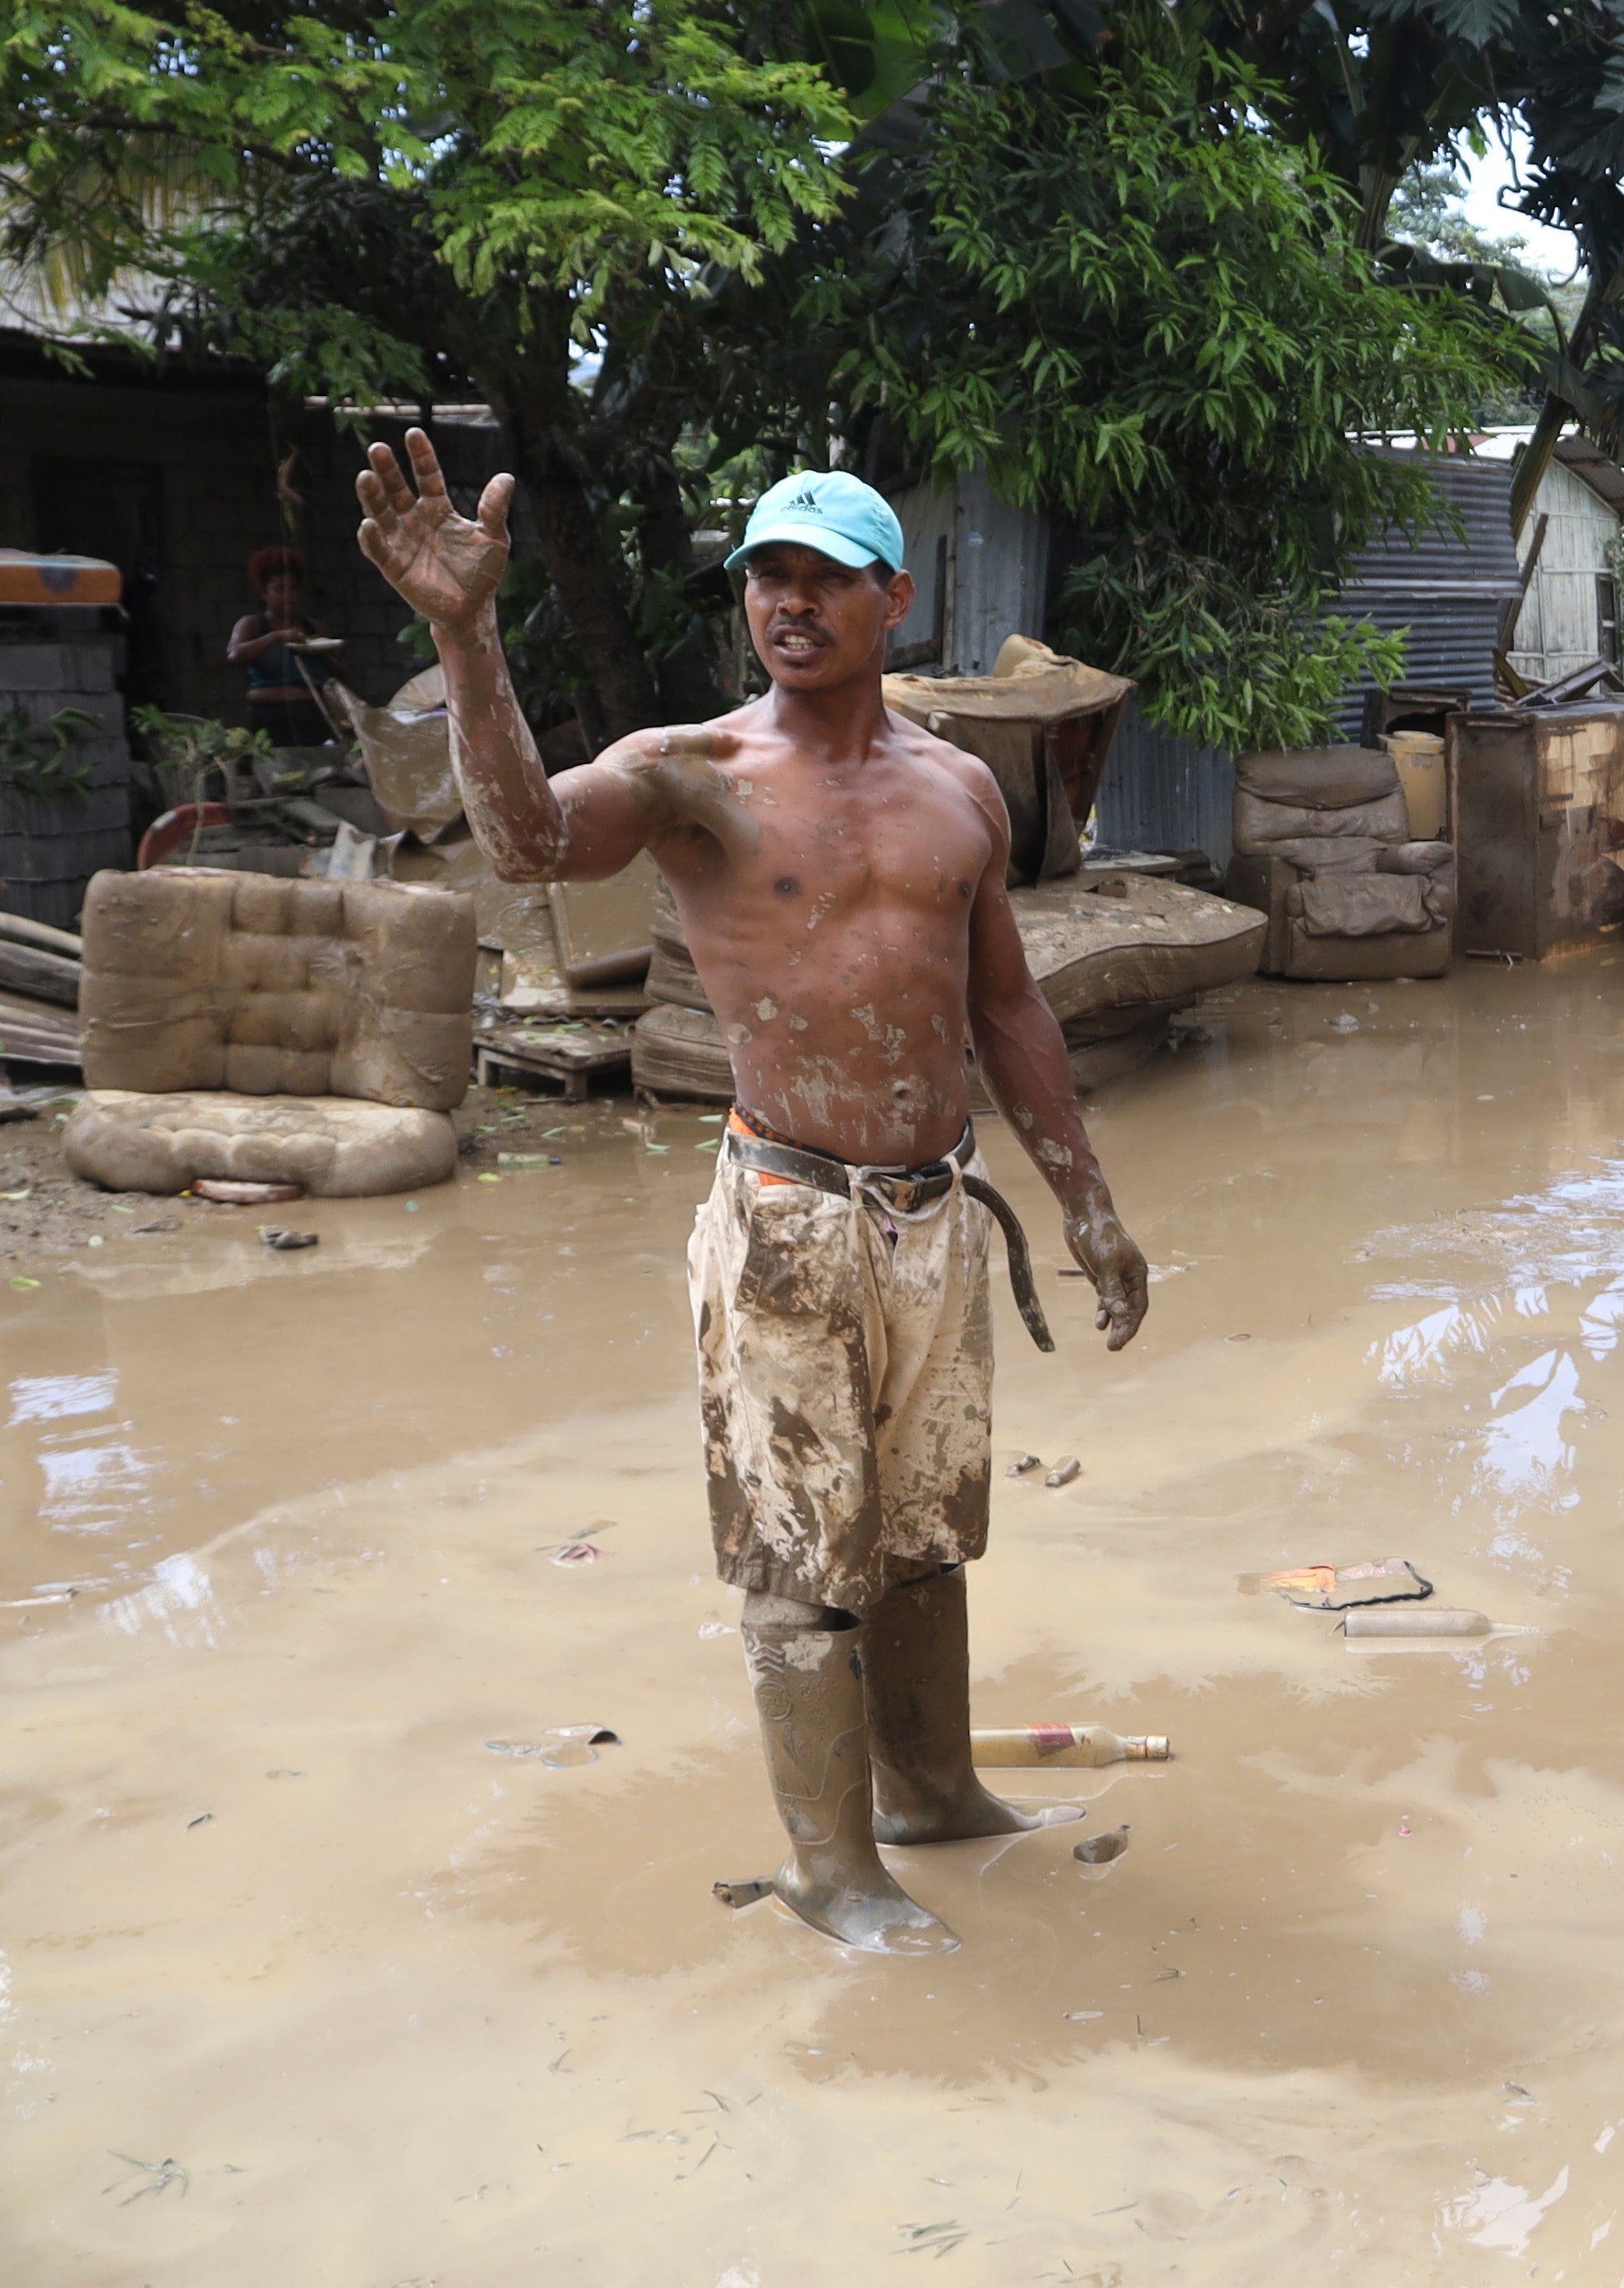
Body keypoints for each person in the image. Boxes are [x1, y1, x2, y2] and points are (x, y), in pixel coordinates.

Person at [355, 435, 1154, 1954]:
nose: (788, 602)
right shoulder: (694, 774)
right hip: (788, 1218)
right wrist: (465, 633)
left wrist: (1089, 1203)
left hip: (934, 1211)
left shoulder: (964, 790)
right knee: (803, 1554)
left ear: (891, 599)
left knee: (925, 1531)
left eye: (821, 577)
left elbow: (1008, 1009)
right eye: (764, 578)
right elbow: (525, 840)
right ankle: (831, 1868)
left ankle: (932, 1791)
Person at [228, 546, 333, 746]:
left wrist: (326, 655)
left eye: (293, 589)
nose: (287, 596)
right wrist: (276, 637)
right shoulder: (253, 624)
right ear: (264, 594)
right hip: (268, 716)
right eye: (278, 589)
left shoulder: (313, 627)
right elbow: (235, 655)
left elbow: (337, 674)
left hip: (311, 715)